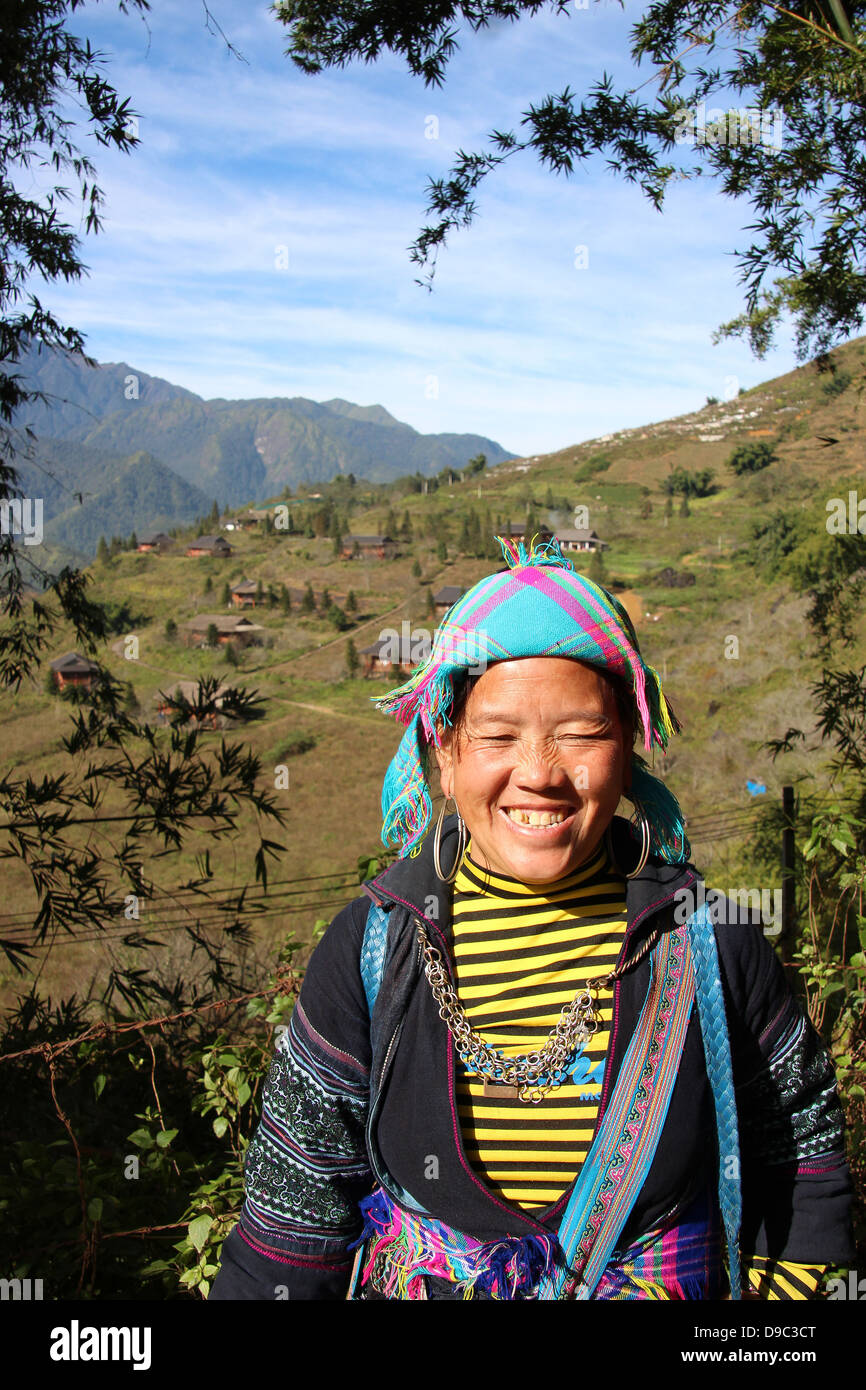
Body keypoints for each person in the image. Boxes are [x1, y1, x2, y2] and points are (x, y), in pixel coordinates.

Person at [210, 537, 853, 1300]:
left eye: (582, 732)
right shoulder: (372, 949)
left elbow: (803, 1168)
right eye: (498, 734)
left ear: (629, 748)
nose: (542, 773)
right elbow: (293, 1224)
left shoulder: (709, 942)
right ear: (444, 752)